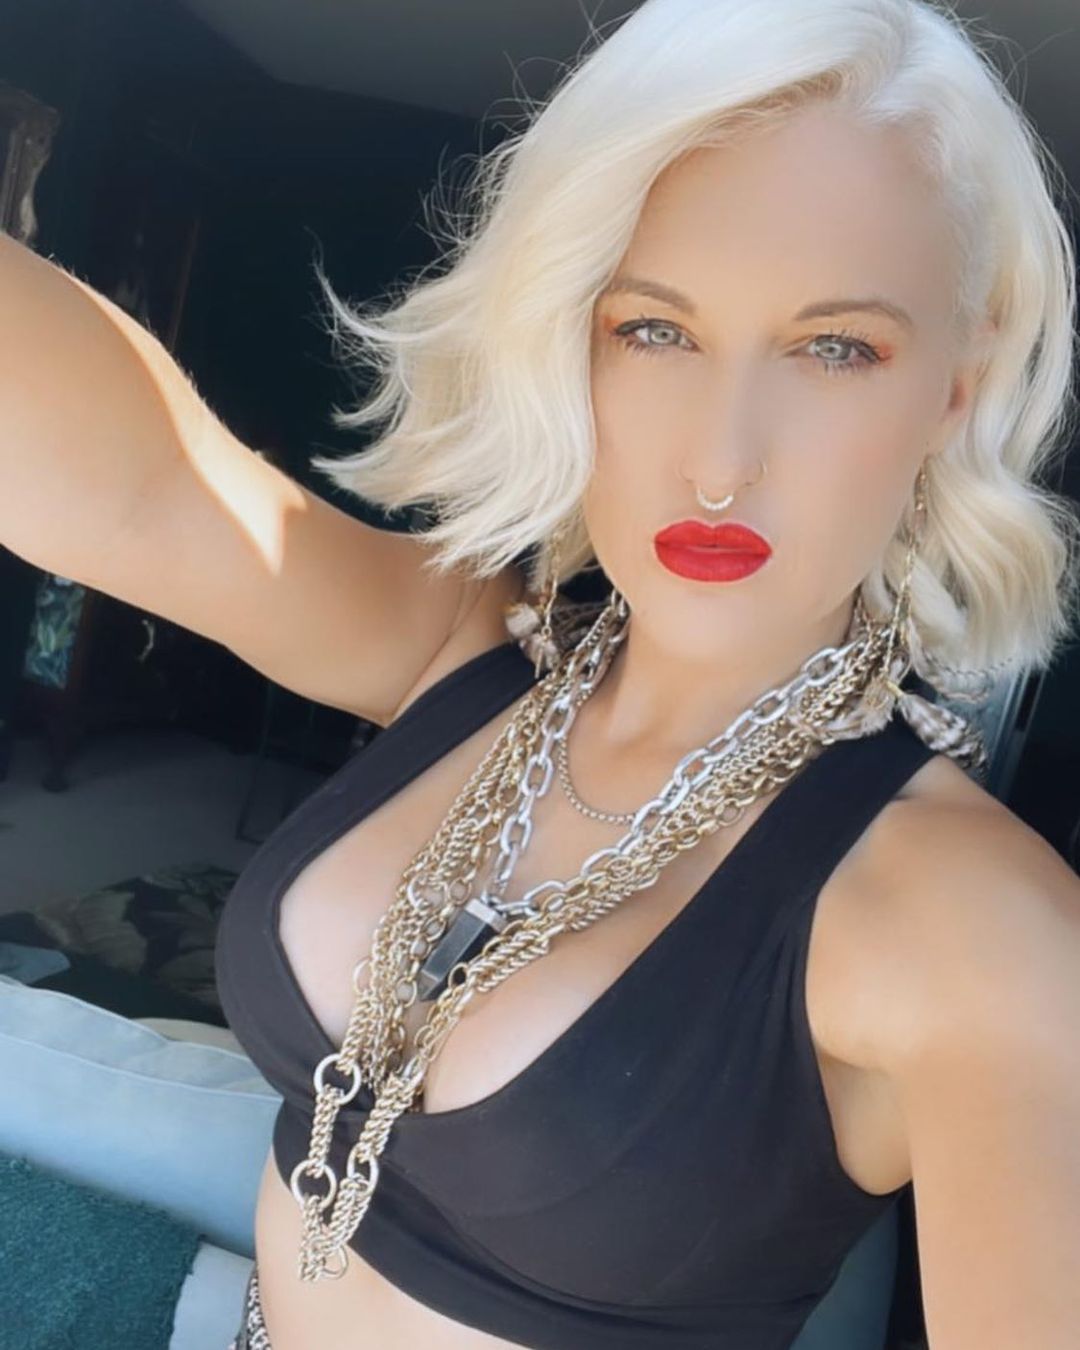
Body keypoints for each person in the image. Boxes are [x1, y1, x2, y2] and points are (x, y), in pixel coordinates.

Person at [3, 0, 1080, 1347]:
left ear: (957, 388)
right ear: (569, 337)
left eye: (835, 348)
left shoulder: (985, 934)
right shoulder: (467, 649)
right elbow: (146, 490)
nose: (721, 461)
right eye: (655, 330)